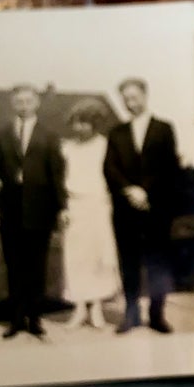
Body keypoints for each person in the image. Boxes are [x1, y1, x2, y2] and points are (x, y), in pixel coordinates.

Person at [103, 77, 182, 334]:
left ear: (145, 96)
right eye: (125, 98)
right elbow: (110, 168)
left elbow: (170, 167)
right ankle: (131, 315)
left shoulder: (164, 129)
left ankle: (157, 315)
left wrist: (145, 191)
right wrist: (129, 190)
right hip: (125, 210)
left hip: (155, 208)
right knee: (129, 263)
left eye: (133, 96)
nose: (129, 102)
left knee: (158, 263)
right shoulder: (117, 133)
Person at [0, 83, 66, 339]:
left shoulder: (49, 135)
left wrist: (61, 207)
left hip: (40, 210)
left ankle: (35, 318)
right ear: (13, 104)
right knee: (13, 265)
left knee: (37, 266)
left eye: (28, 101)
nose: (23, 105)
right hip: (9, 210)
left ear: (36, 103)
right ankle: (16, 318)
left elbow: (57, 174)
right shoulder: (0, 136)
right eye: (19, 101)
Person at [58, 101, 121, 329]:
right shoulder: (66, 148)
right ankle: (79, 309)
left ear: (94, 124)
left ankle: (96, 308)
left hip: (98, 205)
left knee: (98, 257)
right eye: (75, 123)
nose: (79, 127)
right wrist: (63, 207)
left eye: (84, 122)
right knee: (75, 258)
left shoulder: (105, 146)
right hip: (75, 206)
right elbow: (59, 181)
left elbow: (113, 177)